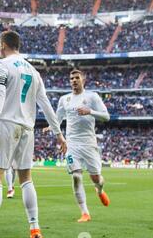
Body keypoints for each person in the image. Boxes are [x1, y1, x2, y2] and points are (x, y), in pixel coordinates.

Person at [0, 31, 67, 238]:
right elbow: (45, 104)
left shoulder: (2, 65)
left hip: (6, 124)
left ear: (3, 45)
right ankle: (35, 228)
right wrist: (59, 134)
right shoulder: (34, 71)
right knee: (26, 178)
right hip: (27, 128)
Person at [43, 69, 110, 223]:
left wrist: (91, 111)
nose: (73, 80)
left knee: (96, 178)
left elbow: (106, 116)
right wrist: (51, 127)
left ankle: (99, 190)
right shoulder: (64, 99)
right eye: (71, 78)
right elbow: (58, 118)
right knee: (76, 176)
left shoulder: (92, 97)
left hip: (89, 143)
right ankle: (85, 212)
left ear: (83, 80)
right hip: (72, 143)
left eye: (76, 78)